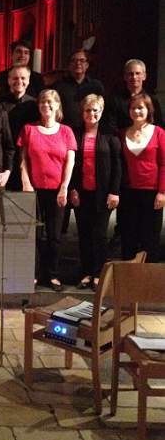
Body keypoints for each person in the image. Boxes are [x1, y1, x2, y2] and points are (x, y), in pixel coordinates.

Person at [18, 89, 76, 291]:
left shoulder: (66, 131)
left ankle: (53, 275)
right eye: (43, 101)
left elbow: (70, 162)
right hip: (33, 189)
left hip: (57, 190)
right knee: (33, 235)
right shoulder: (29, 129)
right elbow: (23, 159)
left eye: (50, 101)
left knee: (54, 235)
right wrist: (26, 182)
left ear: (58, 105)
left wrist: (64, 187)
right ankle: (33, 274)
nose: (46, 105)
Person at [69, 95, 121, 289]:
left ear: (101, 111)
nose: (91, 114)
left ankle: (98, 273)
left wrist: (114, 192)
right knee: (84, 235)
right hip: (81, 193)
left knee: (99, 236)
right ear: (82, 112)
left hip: (103, 194)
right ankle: (86, 272)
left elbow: (118, 166)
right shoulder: (75, 133)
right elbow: (70, 165)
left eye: (95, 110)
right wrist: (72, 189)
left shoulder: (110, 134)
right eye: (88, 110)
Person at [119, 92, 165, 262]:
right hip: (128, 192)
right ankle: (128, 275)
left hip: (152, 193)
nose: (136, 111)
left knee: (150, 238)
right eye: (133, 108)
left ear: (148, 110)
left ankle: (147, 275)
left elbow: (164, 164)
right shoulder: (122, 133)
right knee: (129, 235)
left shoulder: (159, 133)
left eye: (140, 107)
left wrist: (162, 192)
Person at [0, 65, 39, 190]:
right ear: (9, 80)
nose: (19, 81)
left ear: (28, 81)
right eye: (15, 78)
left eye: (23, 78)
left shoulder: (35, 105)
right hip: (3, 158)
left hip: (28, 158)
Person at [53, 49, 105, 130]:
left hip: (90, 131)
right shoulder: (59, 86)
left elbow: (103, 110)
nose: (78, 63)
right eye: (74, 60)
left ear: (87, 65)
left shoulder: (96, 86)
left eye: (82, 60)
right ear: (69, 65)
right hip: (65, 130)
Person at [106, 58, 163, 132]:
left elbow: (158, 126)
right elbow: (111, 127)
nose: (134, 77)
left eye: (138, 73)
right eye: (130, 74)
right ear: (125, 76)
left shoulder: (152, 100)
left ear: (144, 76)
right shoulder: (114, 100)